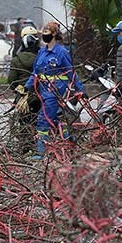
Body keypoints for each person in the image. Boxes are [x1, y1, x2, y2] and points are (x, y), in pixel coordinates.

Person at [24, 21, 84, 156]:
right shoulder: (41, 52)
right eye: (42, 33)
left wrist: (80, 89)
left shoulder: (61, 53)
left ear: (54, 34)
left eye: (46, 33)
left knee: (43, 120)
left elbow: (71, 72)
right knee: (56, 121)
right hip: (44, 91)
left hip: (56, 91)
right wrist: (26, 87)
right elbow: (35, 72)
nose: (43, 36)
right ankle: (70, 145)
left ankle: (41, 153)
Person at [8, 26, 41, 153]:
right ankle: (40, 145)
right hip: (39, 95)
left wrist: (17, 90)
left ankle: (26, 146)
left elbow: (11, 80)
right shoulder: (41, 57)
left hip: (23, 97)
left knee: (24, 122)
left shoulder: (17, 59)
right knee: (40, 121)